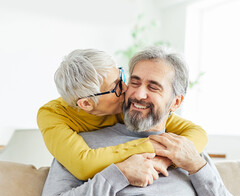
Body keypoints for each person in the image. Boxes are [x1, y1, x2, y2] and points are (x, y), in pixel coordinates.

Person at [38, 46, 240, 196]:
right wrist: (118, 174)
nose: (138, 93)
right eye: (134, 82)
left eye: (153, 87)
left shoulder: (188, 150)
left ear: (176, 102)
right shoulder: (82, 145)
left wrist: (195, 166)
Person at [37, 49, 208, 180]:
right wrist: (150, 147)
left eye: (122, 77)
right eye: (116, 86)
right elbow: (83, 164)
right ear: (87, 104)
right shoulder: (52, 114)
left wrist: (166, 159)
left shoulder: (125, 104)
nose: (127, 89)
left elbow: (196, 132)